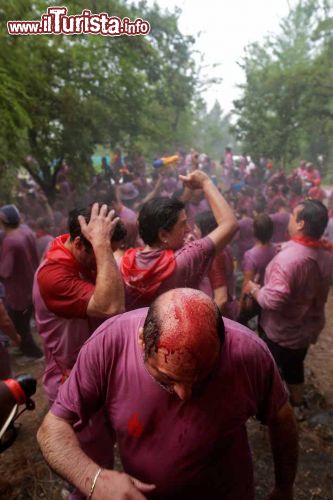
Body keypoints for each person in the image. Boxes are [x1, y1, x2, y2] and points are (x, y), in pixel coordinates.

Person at [37, 288, 298, 500]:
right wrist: (93, 479)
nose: (184, 394)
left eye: (201, 377)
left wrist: (284, 487)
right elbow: (52, 427)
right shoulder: (110, 344)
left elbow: (281, 416)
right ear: (141, 341)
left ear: (223, 343)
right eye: (167, 378)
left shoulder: (248, 353)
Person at [33, 203, 125, 405]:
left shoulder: (80, 255)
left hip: (94, 369)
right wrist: (101, 244)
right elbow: (112, 306)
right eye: (104, 251)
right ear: (78, 244)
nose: (107, 258)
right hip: (71, 382)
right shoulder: (53, 276)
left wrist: (101, 247)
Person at [244, 199, 333, 407]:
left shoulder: (289, 261)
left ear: (301, 224)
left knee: (270, 370)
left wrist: (254, 289)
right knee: (295, 366)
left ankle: (272, 407)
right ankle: (298, 402)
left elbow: (273, 300)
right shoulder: (327, 254)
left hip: (282, 332)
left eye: (293, 215)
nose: (290, 218)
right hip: (307, 328)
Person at [120, 170, 239, 310]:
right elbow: (230, 224)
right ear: (163, 235)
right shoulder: (183, 260)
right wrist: (206, 183)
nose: (188, 229)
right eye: (183, 224)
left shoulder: (124, 263)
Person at [0, 204, 43, 364]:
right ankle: (24, 346)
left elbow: (5, 271)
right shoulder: (26, 231)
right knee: (23, 321)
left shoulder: (10, 241)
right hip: (31, 283)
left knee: (19, 323)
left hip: (17, 291)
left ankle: (34, 353)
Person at [194, 211, 238, 320]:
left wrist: (207, 323)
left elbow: (221, 299)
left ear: (207, 231)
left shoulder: (215, 255)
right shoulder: (224, 245)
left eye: (196, 228)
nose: (194, 232)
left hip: (221, 316)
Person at [239, 214, 276, 324]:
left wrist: (241, 303)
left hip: (256, 295)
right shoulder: (276, 249)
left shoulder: (251, 255)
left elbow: (247, 283)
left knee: (241, 321)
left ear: (254, 231)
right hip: (270, 292)